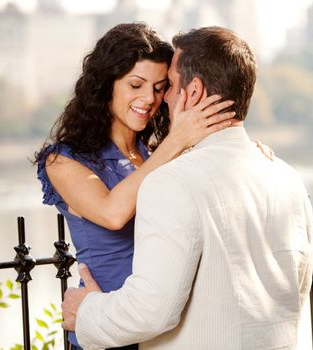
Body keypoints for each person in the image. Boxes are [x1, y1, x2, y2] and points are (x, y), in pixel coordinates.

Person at [61, 26, 313, 350]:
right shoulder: (287, 177)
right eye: (137, 85)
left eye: (166, 86)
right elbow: (297, 289)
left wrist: (85, 313)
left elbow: (151, 312)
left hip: (119, 322)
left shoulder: (169, 178)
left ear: (192, 92)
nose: (158, 98)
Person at [35, 23, 236, 350]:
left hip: (163, 333)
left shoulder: (155, 154)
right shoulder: (62, 161)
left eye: (159, 87)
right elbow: (113, 213)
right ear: (106, 85)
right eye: (136, 85)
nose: (149, 99)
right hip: (106, 328)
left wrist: (244, 152)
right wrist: (177, 141)